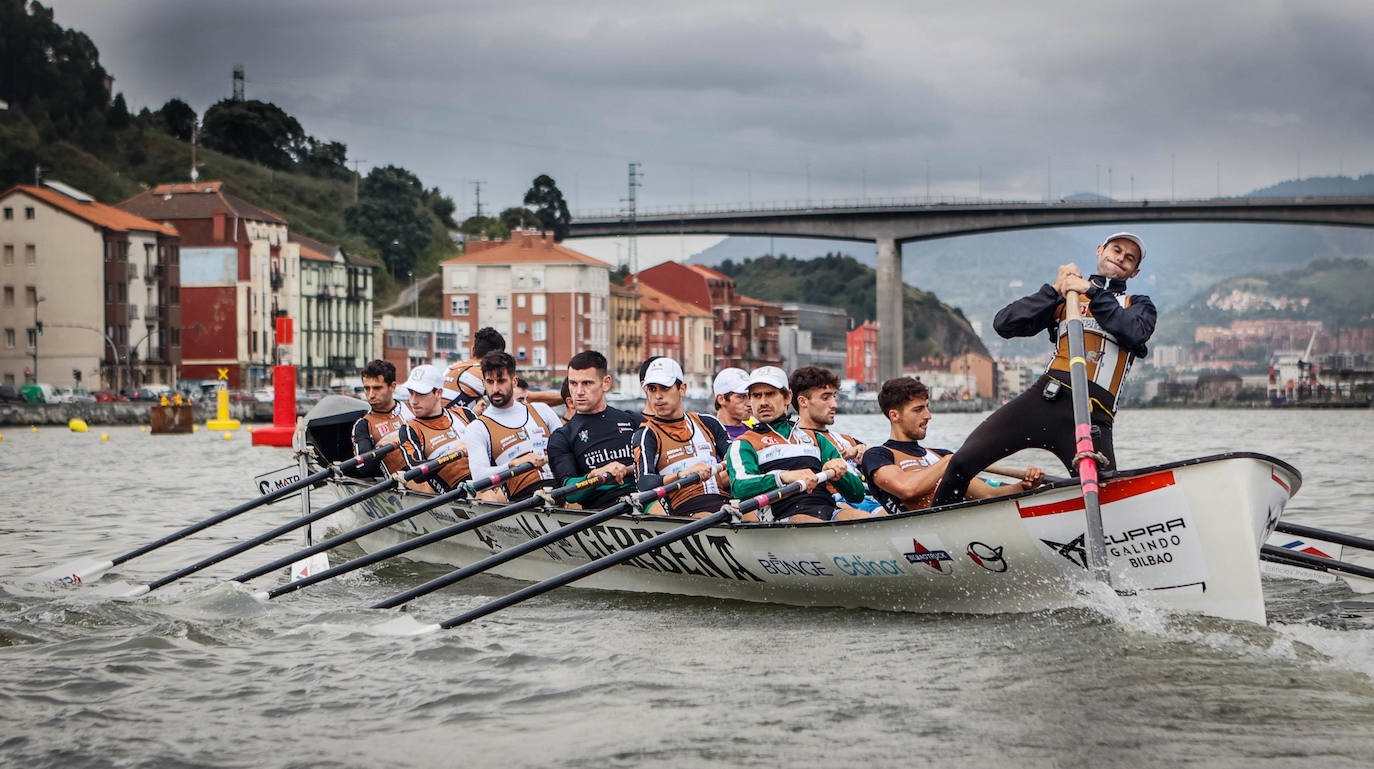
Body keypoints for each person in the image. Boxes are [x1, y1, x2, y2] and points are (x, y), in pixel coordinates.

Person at [930, 232, 1155, 506]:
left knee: (1106, 498)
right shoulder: (1065, 298)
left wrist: (1093, 292)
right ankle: (934, 529)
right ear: (1100, 250)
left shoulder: (1138, 306)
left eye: (1129, 258)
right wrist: (1053, 290)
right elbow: (1004, 324)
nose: (1121, 258)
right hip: (1044, 401)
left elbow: (1133, 332)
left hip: (1091, 416)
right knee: (961, 462)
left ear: (1135, 271)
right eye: (1116, 250)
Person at [863, 377, 1043, 513]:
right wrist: (949, 462)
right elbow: (907, 490)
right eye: (918, 409)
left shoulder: (941, 455)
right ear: (894, 416)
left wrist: (1024, 487)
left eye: (927, 407)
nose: (928, 416)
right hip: (917, 529)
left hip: (954, 521)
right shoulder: (877, 455)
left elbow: (988, 495)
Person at [725, 366, 869, 523]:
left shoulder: (816, 439)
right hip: (782, 517)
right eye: (757, 396)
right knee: (812, 523)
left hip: (827, 509)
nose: (763, 402)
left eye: (770, 394)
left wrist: (840, 474)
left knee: (866, 520)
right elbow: (740, 486)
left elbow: (857, 494)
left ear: (787, 397)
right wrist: (784, 477)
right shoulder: (743, 444)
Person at [632, 357, 732, 517]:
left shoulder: (708, 422)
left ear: (682, 389)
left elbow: (736, 457)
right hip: (684, 511)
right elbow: (644, 482)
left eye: (664, 388)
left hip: (723, 503)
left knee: (751, 514)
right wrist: (683, 474)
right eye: (652, 389)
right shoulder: (646, 434)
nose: (658, 396)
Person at [547, 350, 645, 509]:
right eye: (573, 383)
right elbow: (569, 492)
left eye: (587, 383)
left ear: (606, 383)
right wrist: (594, 475)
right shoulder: (562, 437)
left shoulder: (632, 420)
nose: (578, 392)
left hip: (644, 501)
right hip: (602, 512)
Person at [463, 351, 561, 502]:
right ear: (483, 383)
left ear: (514, 382)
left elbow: (567, 449)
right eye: (490, 382)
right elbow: (479, 478)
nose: (495, 389)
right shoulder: (478, 428)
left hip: (562, 491)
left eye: (501, 381)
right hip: (523, 501)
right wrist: (512, 464)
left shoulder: (542, 410)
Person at [788, 365, 882, 513]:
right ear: (803, 401)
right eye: (825, 398)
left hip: (864, 498)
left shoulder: (846, 439)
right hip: (829, 504)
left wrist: (867, 454)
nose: (834, 405)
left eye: (834, 396)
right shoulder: (791, 441)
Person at [394, 364, 478, 493]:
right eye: (411, 393)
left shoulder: (465, 414)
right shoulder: (410, 429)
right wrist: (453, 453)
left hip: (487, 482)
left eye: (420, 394)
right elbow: (415, 472)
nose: (413, 401)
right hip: (458, 494)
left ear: (438, 393)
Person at [349, 359, 415, 477]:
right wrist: (382, 446)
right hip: (400, 484)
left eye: (377, 388)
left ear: (392, 386)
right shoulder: (363, 425)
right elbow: (363, 467)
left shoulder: (413, 409)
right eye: (367, 388)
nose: (371, 395)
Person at [443, 326, 504, 408]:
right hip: (456, 419)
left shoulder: (450, 368)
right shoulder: (485, 374)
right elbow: (518, 395)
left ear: (472, 350)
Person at [712, 367, 753, 439]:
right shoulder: (707, 436)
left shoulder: (755, 436)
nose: (750, 404)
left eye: (751, 396)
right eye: (741, 397)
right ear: (721, 399)